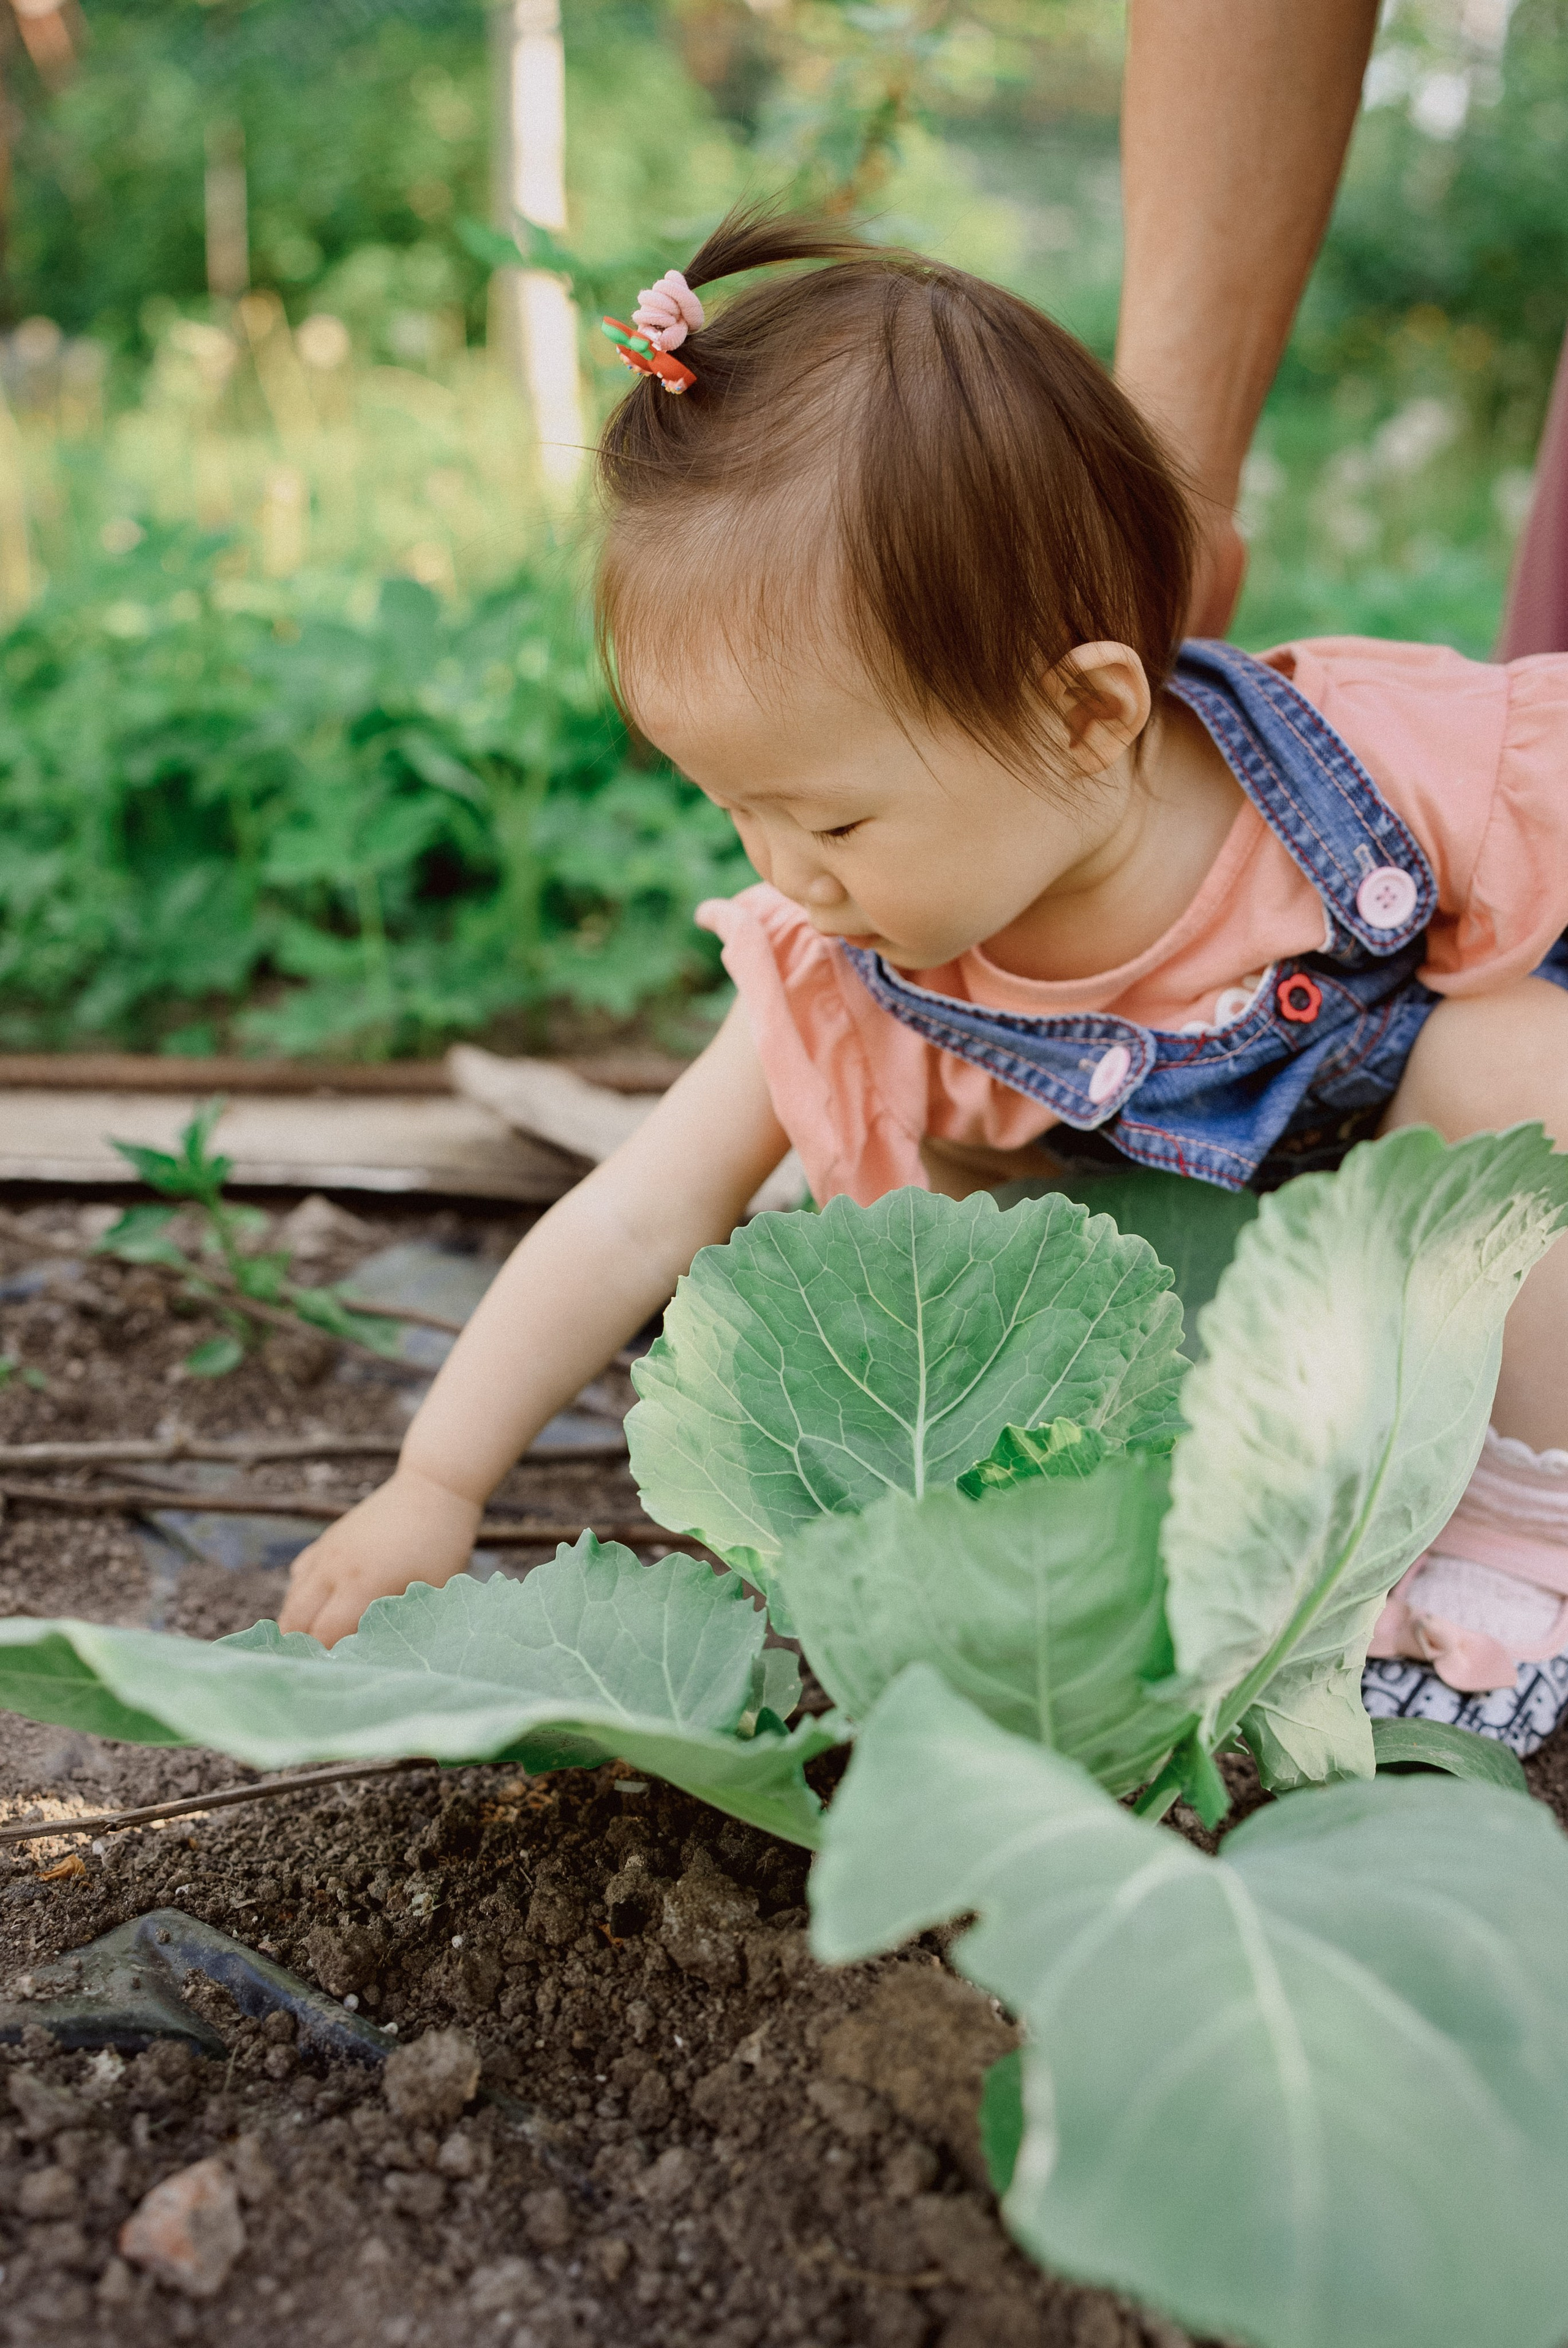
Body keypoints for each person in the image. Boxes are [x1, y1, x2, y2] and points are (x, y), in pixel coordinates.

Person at [282, 213, 1568, 1752]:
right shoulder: (851, 970)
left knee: (1514, 1054)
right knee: (961, 1261)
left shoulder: (1364, 772)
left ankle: (1511, 1544)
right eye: (736, 812)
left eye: (830, 822)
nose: (788, 873)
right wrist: (435, 1480)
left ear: (1086, 714)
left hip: (1452, 1332)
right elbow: (633, 1214)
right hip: (1205, 1374)